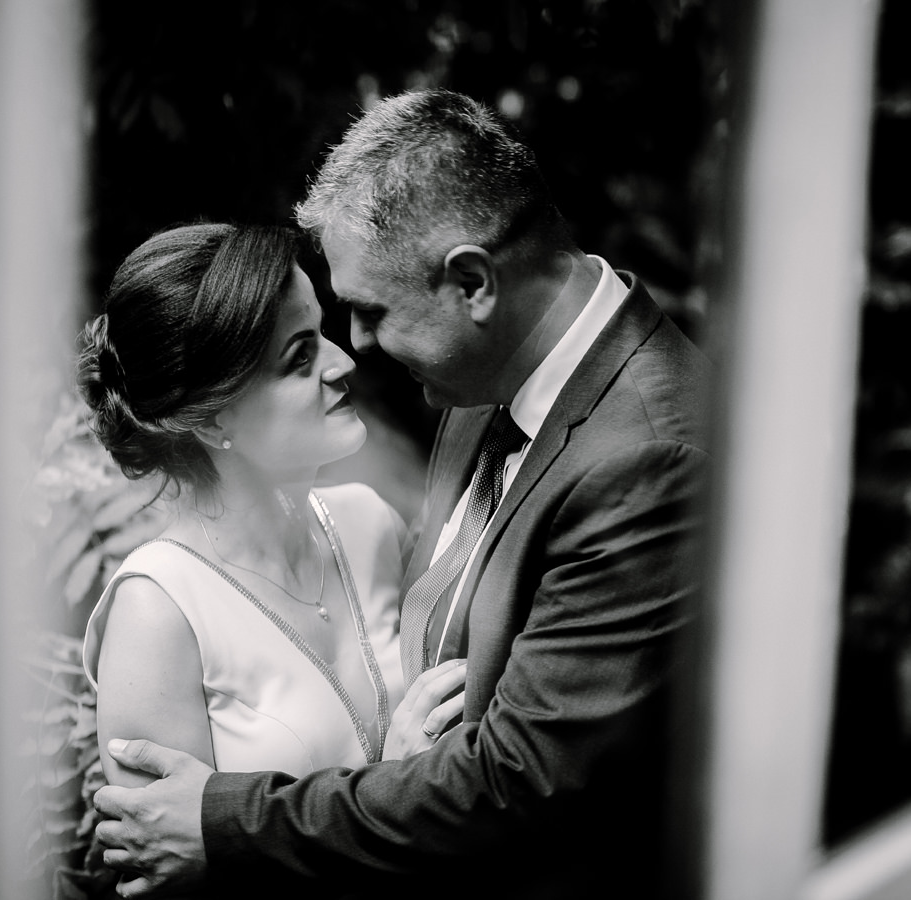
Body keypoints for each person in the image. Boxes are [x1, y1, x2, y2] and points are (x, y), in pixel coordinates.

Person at [93, 90, 711, 898]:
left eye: (369, 312)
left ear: (472, 283)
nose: (356, 351)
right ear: (212, 420)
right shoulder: (481, 380)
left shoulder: (646, 453)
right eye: (304, 350)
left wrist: (227, 821)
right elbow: (150, 858)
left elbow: (518, 778)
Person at [75, 223, 471, 819]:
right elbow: (171, 860)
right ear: (212, 420)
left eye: (323, 333)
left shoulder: (371, 523)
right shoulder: (158, 612)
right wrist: (393, 786)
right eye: (299, 357)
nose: (343, 362)